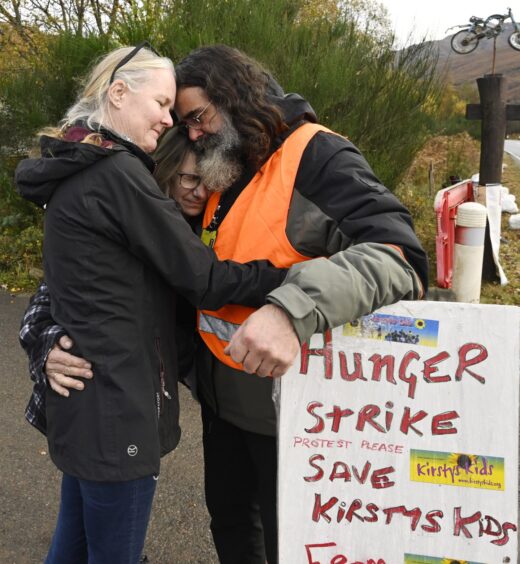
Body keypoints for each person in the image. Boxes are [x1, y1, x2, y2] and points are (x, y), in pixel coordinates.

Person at [20, 45, 429, 564]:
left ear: (233, 96)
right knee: (234, 531)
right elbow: (95, 271)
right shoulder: (220, 164)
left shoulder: (317, 155)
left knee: (293, 542)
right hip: (220, 401)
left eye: (195, 117)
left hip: (297, 411)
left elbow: (402, 258)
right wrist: (45, 336)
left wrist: (292, 308)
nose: (189, 132)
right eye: (179, 119)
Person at [15, 44, 289, 563]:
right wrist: (295, 279)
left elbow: (82, 282)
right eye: (162, 104)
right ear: (118, 93)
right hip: (119, 411)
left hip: (88, 411)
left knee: (71, 548)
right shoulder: (116, 174)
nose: (170, 121)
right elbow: (203, 277)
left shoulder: (77, 168)